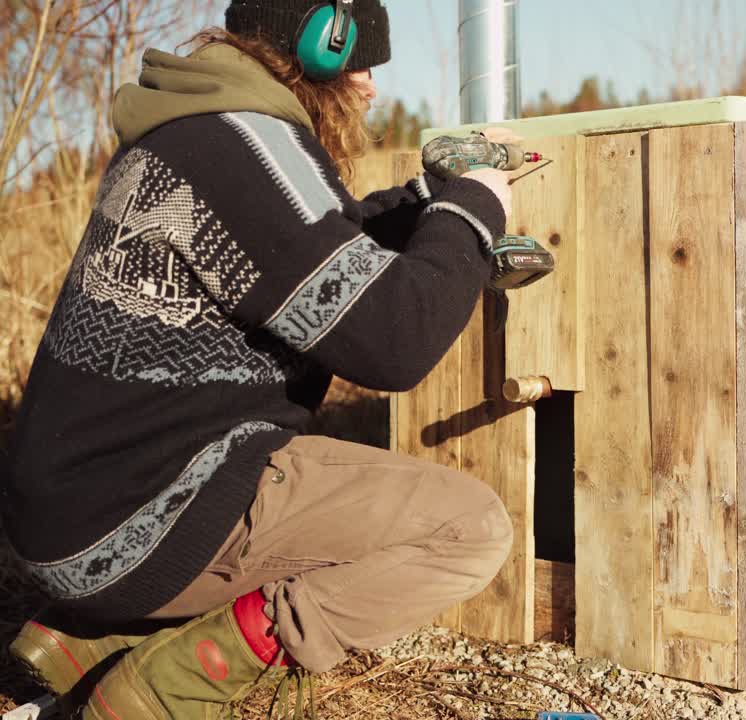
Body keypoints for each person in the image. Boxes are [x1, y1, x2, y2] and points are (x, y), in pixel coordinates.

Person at [0, 1, 517, 717]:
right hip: (140, 524)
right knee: (468, 530)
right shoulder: (256, 146)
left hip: (66, 519)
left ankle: (91, 639)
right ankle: (176, 682)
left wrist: (424, 203)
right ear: (318, 45)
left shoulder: (194, 129)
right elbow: (398, 341)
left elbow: (299, 246)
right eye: (360, 59)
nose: (370, 85)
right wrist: (473, 212)